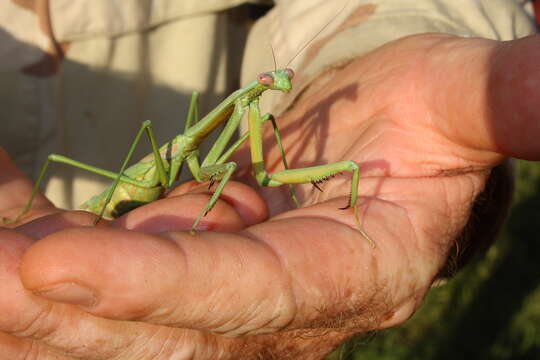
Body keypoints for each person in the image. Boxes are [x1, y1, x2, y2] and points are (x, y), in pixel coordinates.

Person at [0, 0, 537, 358]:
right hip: (124, 191)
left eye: (273, 82)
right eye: (270, 82)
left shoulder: (254, 116)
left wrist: (352, 59)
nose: (273, 83)